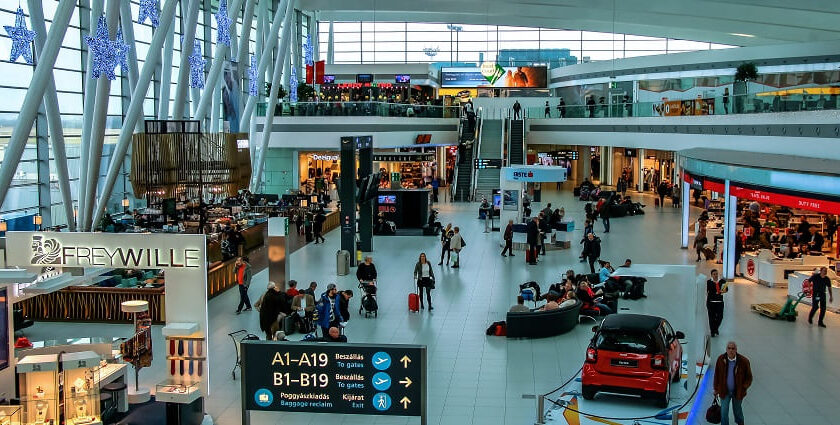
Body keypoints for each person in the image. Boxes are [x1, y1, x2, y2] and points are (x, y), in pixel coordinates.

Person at [713, 341, 752, 425]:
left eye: (733, 348)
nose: (731, 350)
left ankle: (740, 423)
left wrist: (743, 387)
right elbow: (717, 375)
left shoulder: (744, 361)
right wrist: (716, 389)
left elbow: (749, 377)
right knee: (724, 412)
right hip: (724, 391)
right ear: (726, 349)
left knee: (737, 411)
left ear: (736, 350)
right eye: (729, 348)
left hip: (737, 392)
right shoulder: (721, 359)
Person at [707, 269, 728, 337]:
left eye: (716, 274)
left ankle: (715, 328)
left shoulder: (722, 281)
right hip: (711, 302)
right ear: (711, 275)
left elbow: (726, 289)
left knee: (720, 317)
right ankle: (712, 331)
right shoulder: (708, 282)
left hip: (719, 302)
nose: (715, 275)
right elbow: (706, 291)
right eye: (714, 274)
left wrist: (724, 291)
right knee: (711, 317)